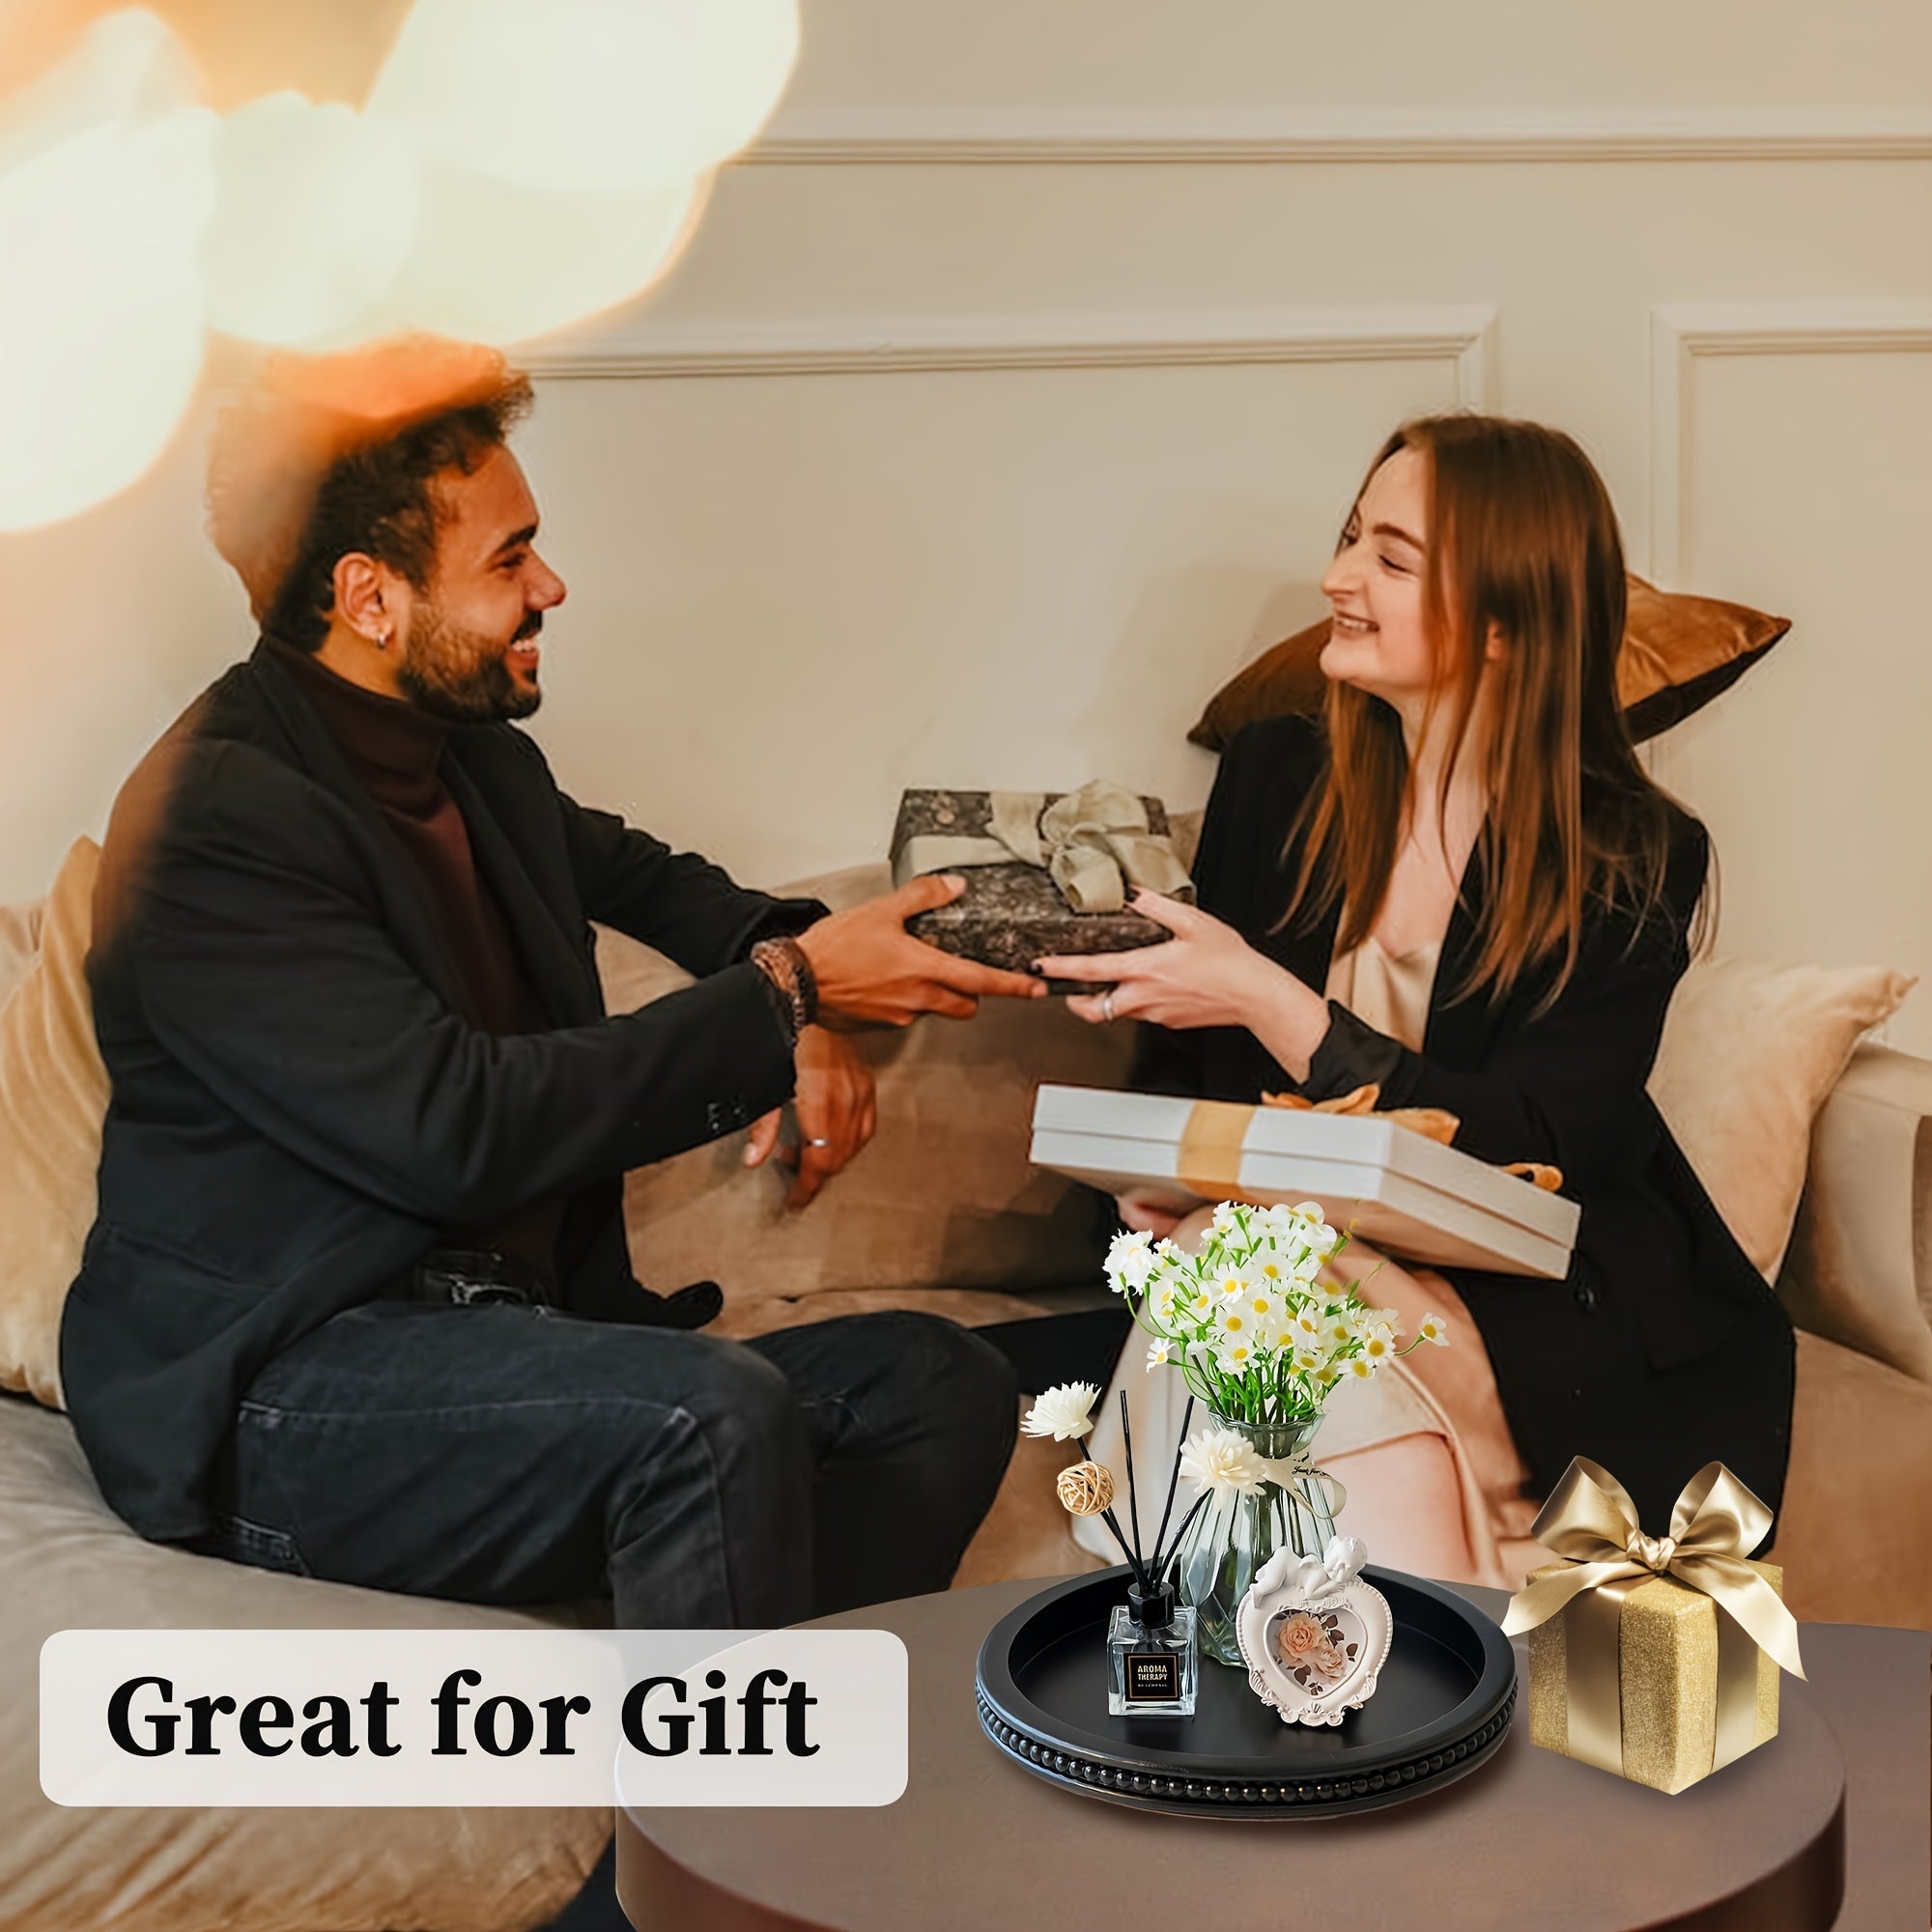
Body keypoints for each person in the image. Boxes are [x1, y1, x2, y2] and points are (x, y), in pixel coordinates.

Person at [62, 336, 1046, 1641]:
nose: (553, 587)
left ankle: (754, 1712)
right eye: (509, 560)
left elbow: (657, 880)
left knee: (939, 1380)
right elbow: (454, 1131)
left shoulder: (472, 760)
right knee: (710, 1417)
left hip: (517, 1349)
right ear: (369, 596)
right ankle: (708, 1830)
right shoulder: (212, 821)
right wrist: (786, 995)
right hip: (290, 1386)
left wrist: (800, 978)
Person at [1039, 413, 1795, 1578]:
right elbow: (1206, 1090)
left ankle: (1367, 1693)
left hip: (1525, 1286)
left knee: (1253, 1319)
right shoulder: (1275, 776)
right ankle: (1442, 1695)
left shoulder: (1630, 850)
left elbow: (1540, 1141)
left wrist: (1269, 1001)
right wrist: (1158, 1185)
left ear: (1505, 620)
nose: (1336, 578)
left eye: (1390, 559)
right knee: (1235, 1283)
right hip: (1288, 1255)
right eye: (1349, 538)